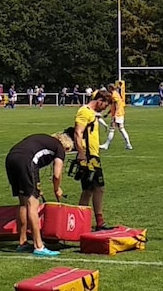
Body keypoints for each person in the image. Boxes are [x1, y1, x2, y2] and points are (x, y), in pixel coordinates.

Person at [5, 131, 74, 257]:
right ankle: (39, 246)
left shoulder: (44, 140)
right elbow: (57, 175)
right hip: (26, 161)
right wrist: (57, 189)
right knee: (33, 204)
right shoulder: (59, 148)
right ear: (66, 146)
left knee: (23, 203)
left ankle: (22, 242)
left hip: (11, 158)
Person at [70, 91, 117, 231]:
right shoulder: (85, 112)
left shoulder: (92, 113)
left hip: (93, 155)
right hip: (88, 157)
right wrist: (81, 154)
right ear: (100, 100)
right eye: (105, 105)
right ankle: (91, 222)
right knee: (94, 188)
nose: (105, 108)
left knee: (90, 189)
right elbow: (78, 132)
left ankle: (86, 222)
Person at [101, 83, 132, 150]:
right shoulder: (116, 94)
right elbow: (114, 106)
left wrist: (114, 116)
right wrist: (108, 113)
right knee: (121, 129)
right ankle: (128, 144)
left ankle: (106, 145)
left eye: (108, 88)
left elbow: (116, 106)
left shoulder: (114, 95)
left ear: (111, 88)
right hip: (120, 114)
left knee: (112, 129)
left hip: (117, 115)